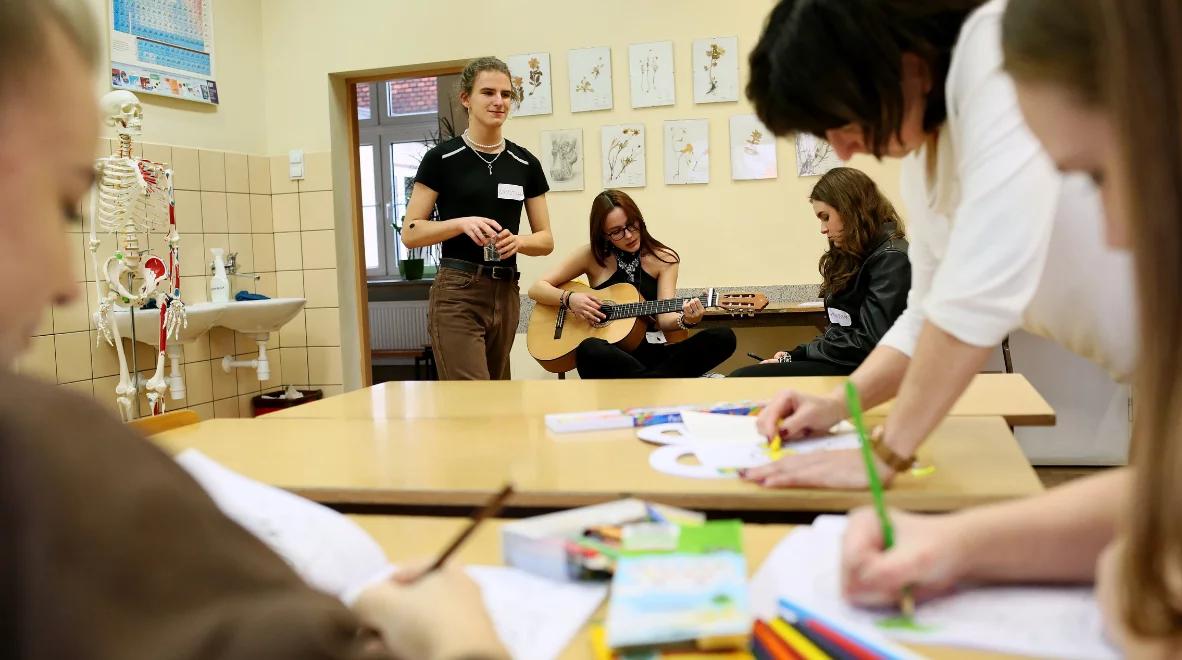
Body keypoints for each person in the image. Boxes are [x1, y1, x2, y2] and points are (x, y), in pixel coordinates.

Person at [0, 2, 506, 657]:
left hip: (504, 290)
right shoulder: (41, 451)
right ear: (466, 99)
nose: (69, 283)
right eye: (63, 201)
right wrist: (462, 640)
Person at [841, 0, 1182, 655]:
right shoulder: (928, 167)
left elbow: (1157, 589)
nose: (1116, 236)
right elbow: (1171, 500)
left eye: (1096, 175)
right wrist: (949, 543)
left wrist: (887, 456)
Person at [741, 0, 1136, 489]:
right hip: (1155, 374)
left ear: (903, 70)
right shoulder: (923, 158)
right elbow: (925, 316)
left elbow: (975, 300)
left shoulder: (993, 54)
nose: (843, 150)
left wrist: (885, 454)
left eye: (842, 122)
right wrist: (837, 405)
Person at [401, 56, 554, 381]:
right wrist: (460, 224)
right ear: (466, 98)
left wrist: (519, 241)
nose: (499, 101)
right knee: (471, 399)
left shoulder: (525, 163)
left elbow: (545, 240)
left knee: (496, 398)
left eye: (506, 94)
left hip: (506, 289)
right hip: (458, 290)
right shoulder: (441, 159)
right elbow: (411, 232)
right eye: (488, 92)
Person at [529, 190, 736, 379]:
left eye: (631, 225)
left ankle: (647, 381)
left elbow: (665, 321)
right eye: (616, 231)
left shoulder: (664, 259)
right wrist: (570, 299)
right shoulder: (591, 256)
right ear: (604, 234)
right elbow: (537, 288)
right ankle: (655, 381)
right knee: (589, 349)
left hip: (655, 353)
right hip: (612, 356)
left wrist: (688, 320)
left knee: (723, 337)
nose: (628, 235)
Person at [730, 167, 909, 378]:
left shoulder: (892, 257)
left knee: (743, 378)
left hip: (867, 371)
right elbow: (841, 332)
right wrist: (794, 355)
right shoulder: (856, 253)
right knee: (746, 377)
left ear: (851, 209)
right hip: (848, 363)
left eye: (826, 217)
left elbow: (868, 343)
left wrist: (805, 353)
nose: (823, 229)